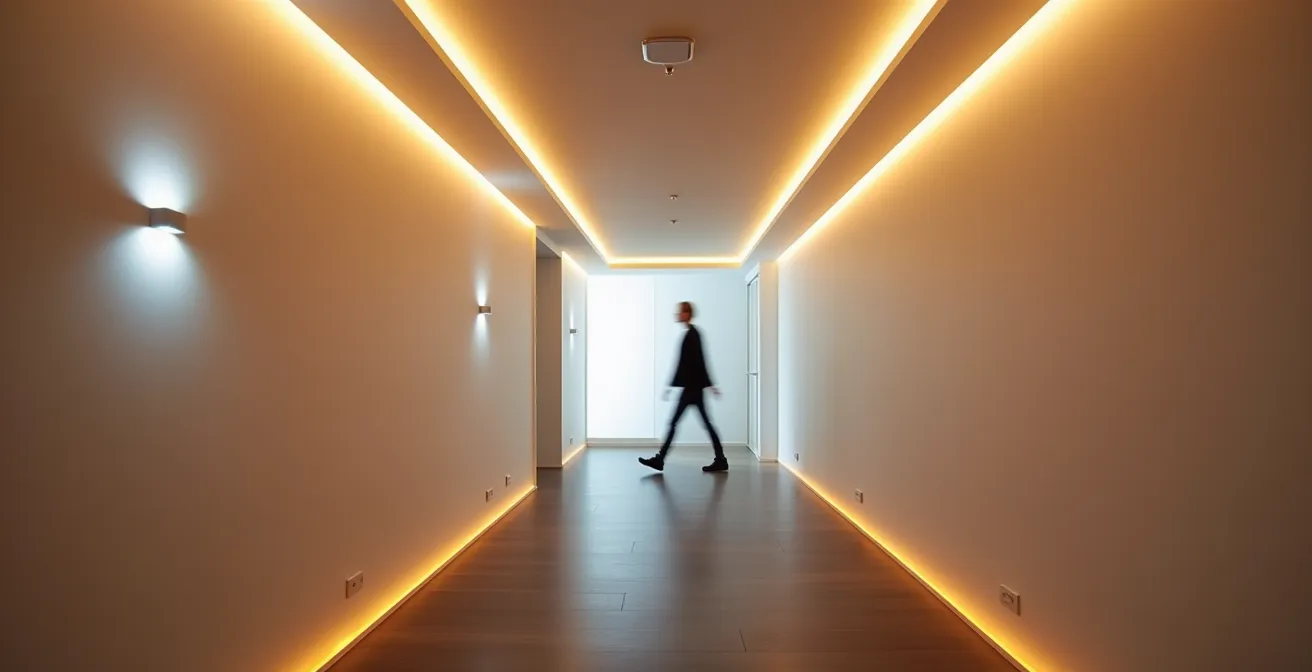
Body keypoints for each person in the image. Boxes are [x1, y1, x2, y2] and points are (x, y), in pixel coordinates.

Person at [639, 301, 728, 473]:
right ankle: (720, 459)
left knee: (677, 423)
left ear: (687, 314)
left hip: (692, 389)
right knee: (702, 423)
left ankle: (661, 459)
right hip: (692, 388)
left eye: (680, 311)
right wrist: (673, 385)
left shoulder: (693, 335)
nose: (678, 314)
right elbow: (685, 363)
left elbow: (700, 361)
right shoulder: (691, 334)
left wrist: (710, 385)